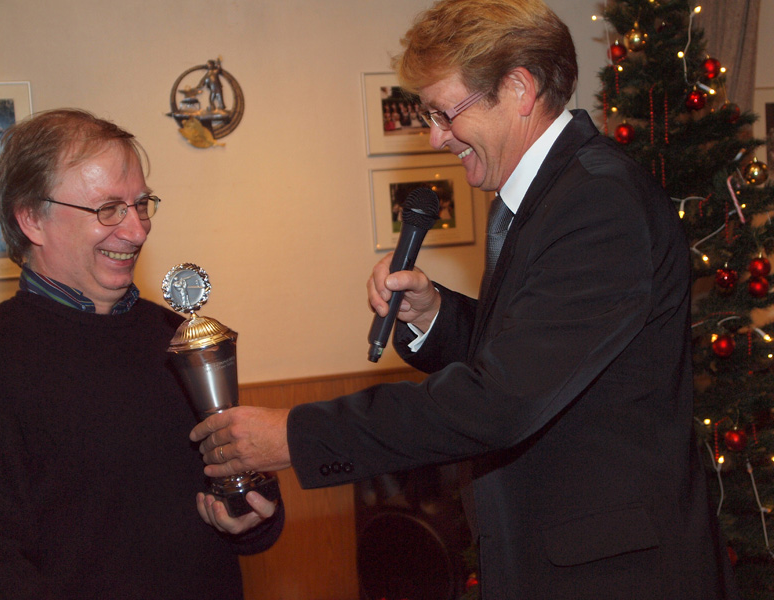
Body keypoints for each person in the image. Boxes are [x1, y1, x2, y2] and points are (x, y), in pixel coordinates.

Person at [190, 1, 739, 598]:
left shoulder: (597, 202)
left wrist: (296, 435)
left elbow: (501, 401)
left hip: (615, 576)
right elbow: (540, 353)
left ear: (519, 89)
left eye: (446, 113)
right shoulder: (552, 194)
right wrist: (437, 317)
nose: (436, 137)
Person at [0, 109, 283, 599]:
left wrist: (252, 514)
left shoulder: (180, 338)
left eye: (141, 205)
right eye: (108, 209)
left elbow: (232, 485)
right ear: (31, 218)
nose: (137, 231)